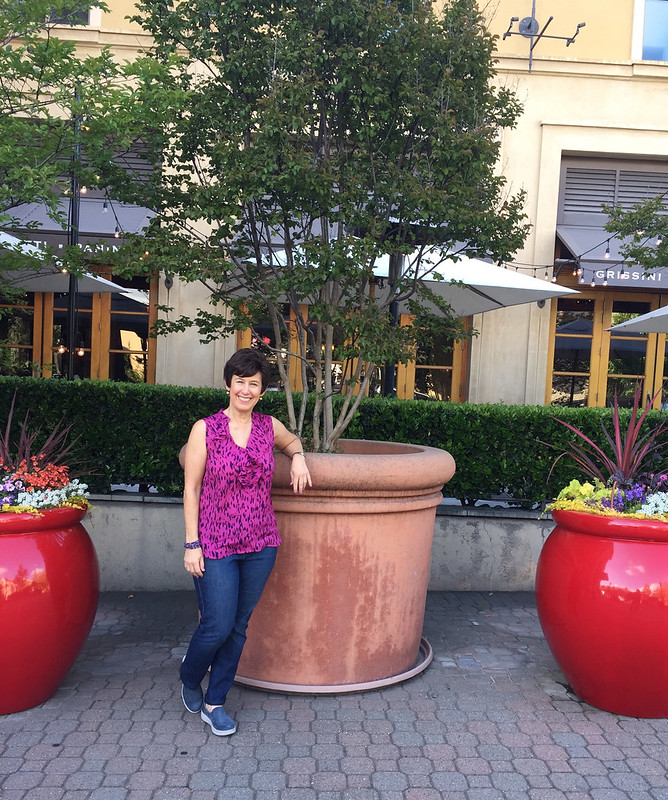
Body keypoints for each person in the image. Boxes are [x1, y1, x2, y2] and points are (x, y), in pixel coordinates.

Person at [179, 348, 312, 736]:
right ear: (228, 384)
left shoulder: (269, 427)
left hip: (260, 542)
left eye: (254, 384)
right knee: (217, 626)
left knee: (238, 625)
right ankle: (190, 673)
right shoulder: (206, 429)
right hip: (215, 543)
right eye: (240, 381)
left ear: (262, 390)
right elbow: (191, 490)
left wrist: (299, 456)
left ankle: (214, 702)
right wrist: (192, 544)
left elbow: (292, 442)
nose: (246, 389)